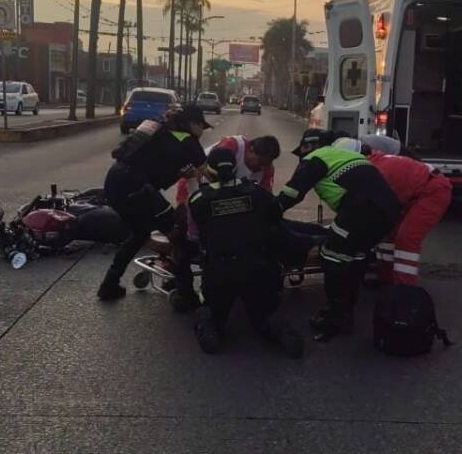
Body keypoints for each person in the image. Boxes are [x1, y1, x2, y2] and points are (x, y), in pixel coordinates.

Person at [278, 129, 401, 341]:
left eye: (303, 149)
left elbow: (293, 192)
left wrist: (270, 210)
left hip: (362, 210)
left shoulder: (316, 158)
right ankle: (346, 311)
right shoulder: (345, 155)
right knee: (355, 255)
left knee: (332, 255)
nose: (302, 154)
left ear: (310, 146)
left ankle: (337, 318)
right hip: (387, 211)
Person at [189, 148, 304, 358]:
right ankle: (277, 328)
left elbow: (194, 236)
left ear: (210, 172)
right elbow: (274, 223)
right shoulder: (257, 192)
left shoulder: (198, 199)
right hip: (256, 266)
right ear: (235, 168)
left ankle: (211, 326)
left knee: (212, 309)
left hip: (220, 270)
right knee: (264, 311)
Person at [98, 105, 212, 301]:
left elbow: (153, 163)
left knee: (140, 233)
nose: (203, 132)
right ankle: (186, 294)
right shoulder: (188, 141)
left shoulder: (160, 129)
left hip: (114, 182)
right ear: (193, 123)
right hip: (138, 189)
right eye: (202, 127)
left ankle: (109, 284)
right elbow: (210, 174)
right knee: (176, 234)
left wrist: (179, 174)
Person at [169, 135, 281, 310]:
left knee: (184, 244)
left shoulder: (265, 169)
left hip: (222, 222)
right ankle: (184, 290)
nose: (260, 167)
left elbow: (266, 203)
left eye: (265, 164)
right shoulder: (233, 147)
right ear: (250, 150)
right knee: (182, 241)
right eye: (259, 161)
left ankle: (186, 290)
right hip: (203, 197)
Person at [333, 137, 452, 286]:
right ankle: (387, 281)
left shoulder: (374, 171)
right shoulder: (373, 163)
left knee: (406, 239)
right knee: (387, 234)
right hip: (415, 191)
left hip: (432, 191)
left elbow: (369, 206)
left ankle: (404, 288)